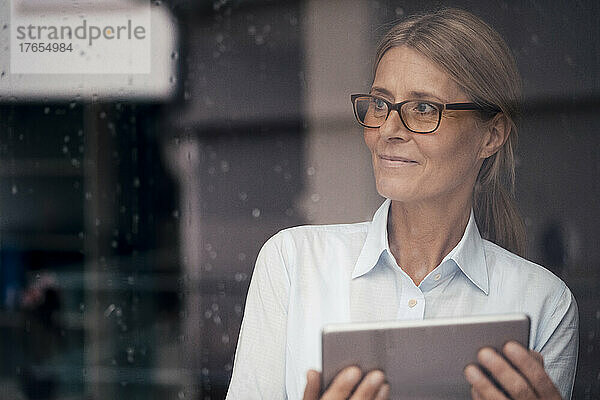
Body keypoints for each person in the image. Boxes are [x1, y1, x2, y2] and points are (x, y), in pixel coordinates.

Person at [226, 8, 578, 400]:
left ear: (491, 135)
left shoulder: (545, 303)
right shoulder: (292, 262)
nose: (388, 130)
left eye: (423, 108)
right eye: (380, 104)